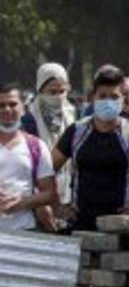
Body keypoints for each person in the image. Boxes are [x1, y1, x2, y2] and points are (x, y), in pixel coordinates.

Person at [51, 66, 129, 232]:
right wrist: (57, 206)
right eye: (102, 96)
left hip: (122, 229)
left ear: (123, 100)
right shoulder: (76, 132)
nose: (108, 101)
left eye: (114, 96)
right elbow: (48, 170)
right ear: (93, 98)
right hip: (81, 226)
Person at [0, 83, 57, 232]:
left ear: (23, 109)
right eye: (1, 105)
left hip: (25, 232)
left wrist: (21, 202)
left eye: (12, 104)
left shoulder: (36, 146)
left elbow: (50, 193)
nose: (7, 110)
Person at [22, 62, 76, 218]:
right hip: (40, 193)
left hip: (69, 192)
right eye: (52, 92)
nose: (58, 97)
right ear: (40, 90)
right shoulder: (29, 119)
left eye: (62, 91)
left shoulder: (72, 115)